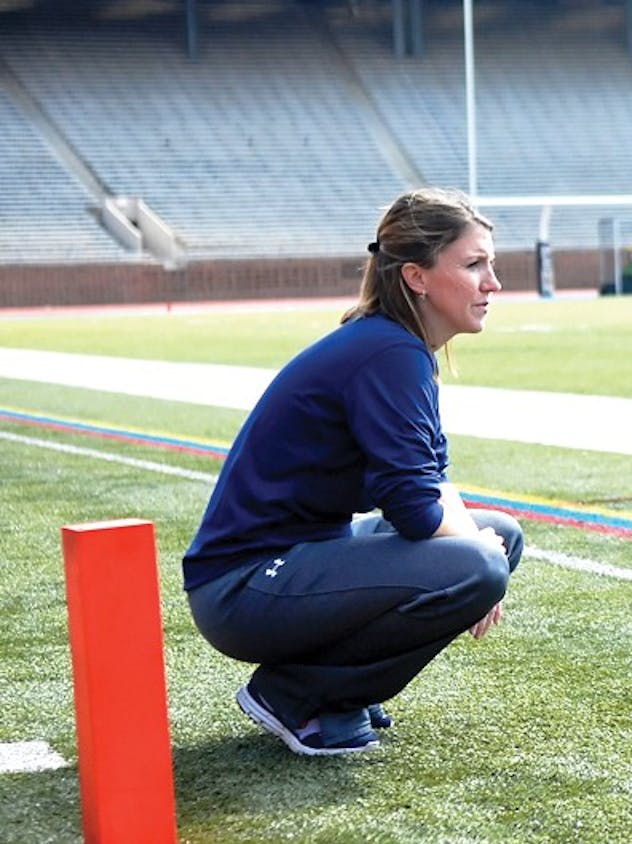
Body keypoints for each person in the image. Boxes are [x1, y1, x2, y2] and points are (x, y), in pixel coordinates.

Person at [182, 187, 525, 756]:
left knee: (499, 538)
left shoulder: (397, 346)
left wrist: (484, 556)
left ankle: (337, 690)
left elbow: (433, 478)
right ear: (416, 277)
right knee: (479, 562)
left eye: (490, 263)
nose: (494, 283)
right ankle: (295, 695)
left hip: (296, 562)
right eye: (473, 265)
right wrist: (480, 569)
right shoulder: (389, 352)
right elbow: (415, 510)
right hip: (242, 587)